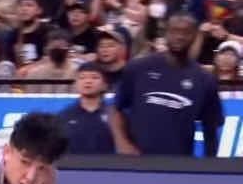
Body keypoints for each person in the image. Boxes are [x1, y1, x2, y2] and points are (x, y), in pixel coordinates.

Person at [110, 12, 225, 156]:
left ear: (195, 36)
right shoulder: (139, 67)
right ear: (165, 33)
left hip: (178, 163)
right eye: (174, 31)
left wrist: (210, 165)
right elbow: (116, 109)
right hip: (137, 161)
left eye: (186, 32)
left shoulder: (205, 79)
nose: (180, 37)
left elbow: (210, 128)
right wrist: (122, 144)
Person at [58, 62, 115, 154]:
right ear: (75, 84)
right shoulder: (64, 116)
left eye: (94, 77)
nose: (88, 81)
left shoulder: (114, 116)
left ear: (105, 85)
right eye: (82, 77)